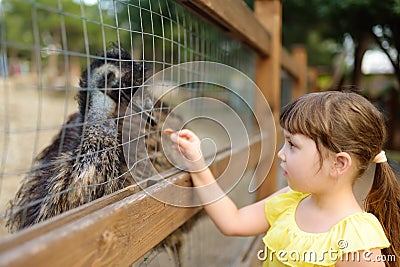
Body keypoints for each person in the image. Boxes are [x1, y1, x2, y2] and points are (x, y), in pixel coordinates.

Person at [166, 90, 400, 267]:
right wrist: (197, 164)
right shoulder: (290, 202)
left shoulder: (356, 239)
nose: (281, 154)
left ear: (338, 163)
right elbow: (232, 221)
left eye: (292, 145)